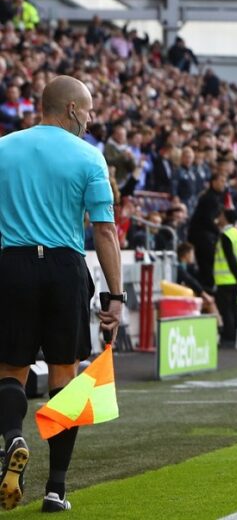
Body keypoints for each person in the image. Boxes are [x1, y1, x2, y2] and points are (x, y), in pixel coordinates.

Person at [0, 75, 123, 513]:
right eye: (87, 111)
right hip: (65, 268)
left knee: (11, 369)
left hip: (10, 264)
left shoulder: (3, 148)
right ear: (71, 109)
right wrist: (116, 296)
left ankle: (13, 435)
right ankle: (56, 489)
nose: (90, 120)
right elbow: (105, 231)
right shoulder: (89, 158)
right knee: (63, 378)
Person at [214, 208, 237, 346]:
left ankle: (229, 337)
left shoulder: (226, 235)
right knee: (234, 307)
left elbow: (230, 258)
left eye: (222, 215)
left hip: (226, 278)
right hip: (236, 279)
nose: (220, 217)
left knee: (226, 308)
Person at [175, 242, 222, 329]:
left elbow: (196, 283)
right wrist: (205, 295)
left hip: (188, 298)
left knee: (210, 300)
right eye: (192, 253)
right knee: (209, 303)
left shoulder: (189, 268)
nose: (193, 256)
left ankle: (217, 328)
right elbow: (191, 282)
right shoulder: (179, 268)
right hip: (180, 301)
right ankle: (220, 329)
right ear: (186, 254)